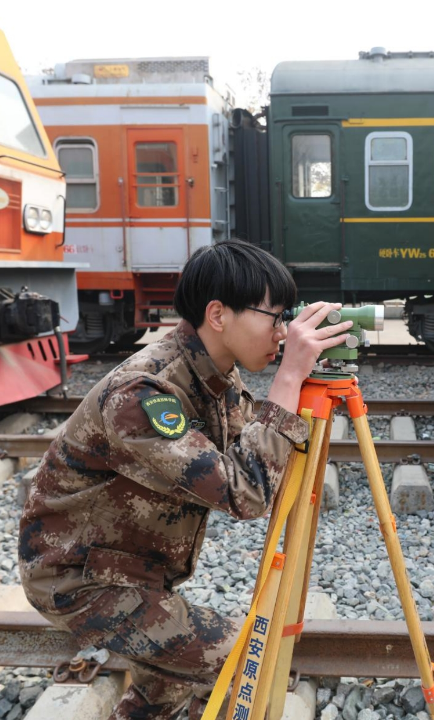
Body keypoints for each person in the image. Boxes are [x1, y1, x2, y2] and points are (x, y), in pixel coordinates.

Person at [18, 239, 353, 720]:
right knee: (242, 659)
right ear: (218, 315)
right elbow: (246, 491)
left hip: (130, 571)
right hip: (81, 578)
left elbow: (257, 461)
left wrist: (295, 389)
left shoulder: (216, 376)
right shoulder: (144, 393)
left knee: (166, 691)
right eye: (274, 316)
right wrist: (288, 382)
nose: (283, 332)